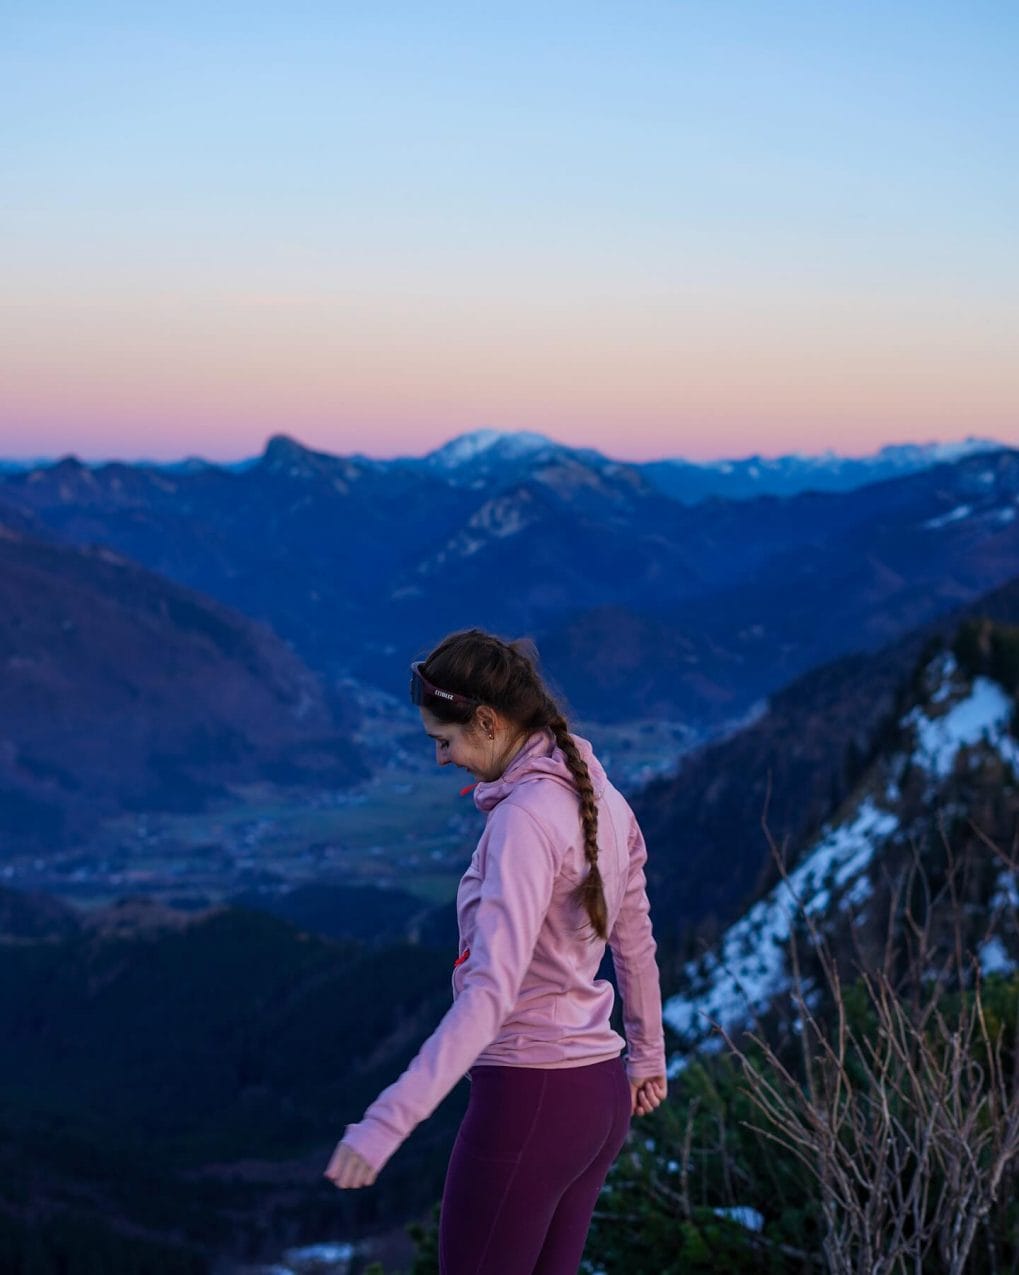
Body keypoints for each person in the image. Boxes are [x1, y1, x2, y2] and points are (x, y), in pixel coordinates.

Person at [324, 628, 668, 1274]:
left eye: (443, 740)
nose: (440, 758)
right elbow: (635, 939)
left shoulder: (524, 821)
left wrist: (385, 1123)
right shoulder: (602, 797)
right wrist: (646, 1054)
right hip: (597, 1099)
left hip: (528, 1102)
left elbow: (490, 992)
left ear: (487, 720)